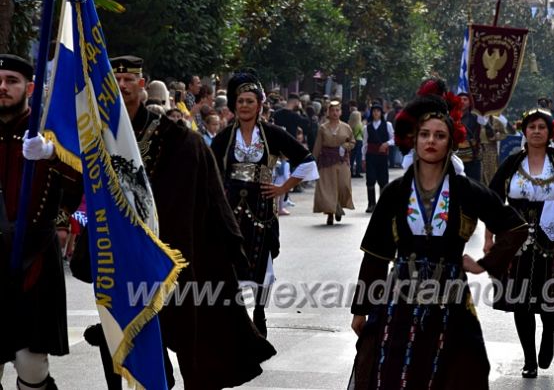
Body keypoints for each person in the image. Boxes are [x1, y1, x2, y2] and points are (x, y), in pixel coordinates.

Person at [83, 56, 277, 390]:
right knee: (125, 339)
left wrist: (232, 243)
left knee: (191, 339)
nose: (124, 86)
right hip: (123, 259)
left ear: (142, 86)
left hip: (176, 259)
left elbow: (213, 194)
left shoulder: (180, 141)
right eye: (117, 81)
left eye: (130, 79)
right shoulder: (98, 139)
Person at [348, 92, 528, 389]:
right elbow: (376, 253)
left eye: (440, 135)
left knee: (454, 370)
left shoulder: (466, 190)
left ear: (450, 143)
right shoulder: (395, 192)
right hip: (398, 296)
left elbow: (515, 227)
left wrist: (485, 263)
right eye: (425, 135)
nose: (431, 141)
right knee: (392, 372)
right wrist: (361, 308)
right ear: (414, 140)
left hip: (451, 295)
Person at [484, 108, 554, 378]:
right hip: (515, 239)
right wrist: (489, 238)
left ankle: (548, 335)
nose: (536, 131)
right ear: (524, 131)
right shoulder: (512, 161)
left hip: (552, 238)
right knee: (520, 299)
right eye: (531, 127)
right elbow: (492, 200)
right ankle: (529, 359)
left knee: (551, 294)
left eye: (541, 127)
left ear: (549, 133)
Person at [211, 72, 318, 336]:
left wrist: (283, 187)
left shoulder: (272, 134)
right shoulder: (224, 137)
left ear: (259, 105)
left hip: (262, 206)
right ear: (234, 106)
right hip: (232, 205)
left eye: (249, 101)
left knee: (262, 260)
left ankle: (259, 312)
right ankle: (236, 316)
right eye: (240, 101)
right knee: (230, 260)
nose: (244, 106)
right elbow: (208, 169)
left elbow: (307, 161)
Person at [0, 54, 82, 390]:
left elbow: (82, 185)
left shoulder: (52, 135)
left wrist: (53, 155)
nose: (2, 88)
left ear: (30, 87)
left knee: (31, 365)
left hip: (34, 259)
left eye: (12, 81)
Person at [313, 100, 355, 225]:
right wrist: (312, 161)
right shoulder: (323, 128)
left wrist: (345, 146)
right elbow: (318, 145)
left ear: (341, 112)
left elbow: (352, 142)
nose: (335, 113)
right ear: (328, 112)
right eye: (332, 110)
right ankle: (330, 213)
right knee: (328, 188)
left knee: (343, 186)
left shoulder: (346, 127)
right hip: (326, 162)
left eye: (337, 110)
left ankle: (338, 206)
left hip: (342, 161)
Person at [362, 103, 393, 212]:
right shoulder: (367, 127)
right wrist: (363, 158)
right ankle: (371, 204)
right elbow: (365, 143)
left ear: (381, 113)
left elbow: (394, 139)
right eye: (374, 111)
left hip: (382, 156)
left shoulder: (387, 125)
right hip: (371, 156)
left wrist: (387, 144)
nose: (376, 113)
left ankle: (383, 204)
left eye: (378, 111)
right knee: (370, 179)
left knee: (383, 180)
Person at [456, 92, 482, 181]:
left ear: (470, 102)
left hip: (472, 157)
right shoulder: (451, 118)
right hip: (455, 157)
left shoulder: (476, 118)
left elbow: (490, 134)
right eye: (460, 99)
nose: (462, 101)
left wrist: (485, 122)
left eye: (465, 99)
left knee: (474, 185)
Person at [348, 110, 364, 178]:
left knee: (352, 157)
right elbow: (363, 133)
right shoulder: (359, 124)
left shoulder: (349, 124)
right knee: (358, 157)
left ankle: (350, 171)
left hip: (352, 141)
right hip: (359, 140)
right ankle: (357, 172)